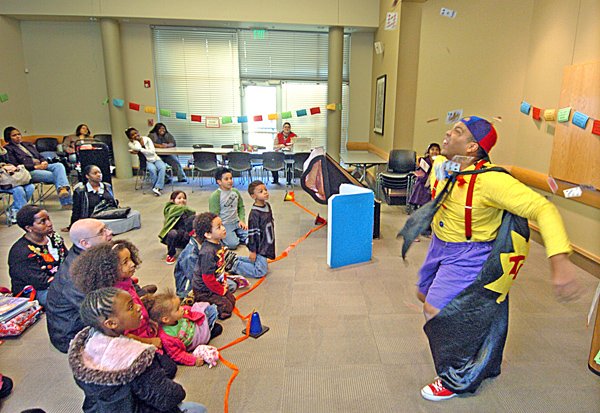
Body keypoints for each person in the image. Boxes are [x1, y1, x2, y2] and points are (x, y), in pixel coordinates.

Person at [410, 116, 580, 401]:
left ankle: (456, 376)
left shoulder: (492, 183)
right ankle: (483, 340)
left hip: (469, 253)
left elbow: (544, 209)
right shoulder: (443, 163)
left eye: (457, 132)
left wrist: (559, 260)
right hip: (439, 246)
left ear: (473, 147)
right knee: (422, 293)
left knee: (434, 311)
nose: (447, 133)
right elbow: (441, 173)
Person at [69, 287, 207, 413]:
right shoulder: (135, 358)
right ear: (111, 323)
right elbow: (166, 397)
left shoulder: (88, 349)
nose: (138, 307)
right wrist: (178, 392)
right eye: (130, 307)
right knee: (199, 410)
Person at [71, 240, 161, 348]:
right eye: (125, 262)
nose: (132, 264)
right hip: (136, 343)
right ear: (110, 268)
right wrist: (150, 342)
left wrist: (148, 320)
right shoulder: (116, 298)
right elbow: (124, 336)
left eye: (131, 258)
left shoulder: (126, 282)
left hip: (143, 326)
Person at [46, 218, 114, 353]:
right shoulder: (76, 276)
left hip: (85, 315)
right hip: (71, 333)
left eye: (106, 228)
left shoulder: (94, 255)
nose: (110, 232)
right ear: (85, 243)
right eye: (102, 232)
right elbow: (96, 311)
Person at [143, 290, 221, 366]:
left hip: (196, 328)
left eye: (180, 305)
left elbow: (192, 313)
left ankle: (207, 331)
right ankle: (207, 333)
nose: (182, 308)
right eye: (177, 309)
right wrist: (194, 360)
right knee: (215, 324)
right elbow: (177, 354)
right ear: (166, 319)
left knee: (211, 311)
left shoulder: (181, 313)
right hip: (193, 341)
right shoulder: (167, 337)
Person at [8, 205, 67, 307]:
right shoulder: (21, 252)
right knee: (71, 299)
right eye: (42, 221)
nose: (49, 224)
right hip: (36, 291)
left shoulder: (54, 238)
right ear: (29, 228)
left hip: (60, 282)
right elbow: (41, 282)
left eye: (48, 219)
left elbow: (68, 260)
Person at [3, 126, 73, 209]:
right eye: (14, 135)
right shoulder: (8, 149)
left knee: (59, 166)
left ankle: (63, 190)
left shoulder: (27, 144)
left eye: (19, 134)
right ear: (8, 138)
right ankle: (66, 202)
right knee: (57, 176)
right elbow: (15, 165)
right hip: (27, 171)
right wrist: (35, 167)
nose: (18, 136)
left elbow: (39, 155)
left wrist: (44, 161)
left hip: (41, 165)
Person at [192, 212, 237, 319]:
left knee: (232, 300)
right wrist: (221, 290)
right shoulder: (207, 252)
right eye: (219, 227)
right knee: (226, 308)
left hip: (215, 283)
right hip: (204, 290)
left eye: (222, 225)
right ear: (207, 234)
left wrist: (223, 283)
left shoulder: (218, 243)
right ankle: (201, 305)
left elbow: (220, 267)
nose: (223, 228)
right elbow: (207, 278)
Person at [230, 180, 274, 278]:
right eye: (261, 191)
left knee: (261, 263)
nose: (265, 192)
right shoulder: (254, 214)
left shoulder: (267, 206)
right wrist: (252, 251)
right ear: (253, 196)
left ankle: (235, 259)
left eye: (265, 190)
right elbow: (252, 234)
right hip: (260, 246)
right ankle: (234, 265)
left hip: (266, 243)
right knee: (260, 272)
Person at [208, 167, 247, 249]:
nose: (230, 181)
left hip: (236, 222)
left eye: (231, 178)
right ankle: (227, 237)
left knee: (252, 238)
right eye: (226, 179)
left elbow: (241, 207)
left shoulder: (235, 192)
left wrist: (242, 220)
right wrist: (220, 228)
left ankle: (236, 235)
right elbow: (214, 215)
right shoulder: (215, 196)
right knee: (233, 244)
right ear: (219, 182)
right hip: (225, 224)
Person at [126, 127, 167, 196]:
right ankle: (157, 188)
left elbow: (152, 152)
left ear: (138, 132)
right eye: (132, 135)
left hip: (155, 158)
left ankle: (157, 187)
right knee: (152, 169)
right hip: (146, 161)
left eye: (136, 133)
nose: (135, 135)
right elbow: (137, 148)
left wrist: (141, 150)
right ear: (130, 138)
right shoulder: (131, 143)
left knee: (162, 167)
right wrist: (136, 142)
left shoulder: (147, 139)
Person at [0, 146, 35, 224]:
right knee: (18, 189)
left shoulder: (3, 151)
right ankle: (24, 217)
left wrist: (11, 166)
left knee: (30, 187)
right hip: (2, 182)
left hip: (10, 179)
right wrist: (2, 166)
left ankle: (14, 210)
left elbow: (11, 161)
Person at [159, 191, 195, 265]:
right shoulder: (170, 209)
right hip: (174, 235)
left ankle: (189, 249)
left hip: (184, 234)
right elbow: (190, 210)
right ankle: (170, 254)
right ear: (172, 200)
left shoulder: (186, 210)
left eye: (184, 198)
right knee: (172, 233)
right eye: (179, 198)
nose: (182, 200)